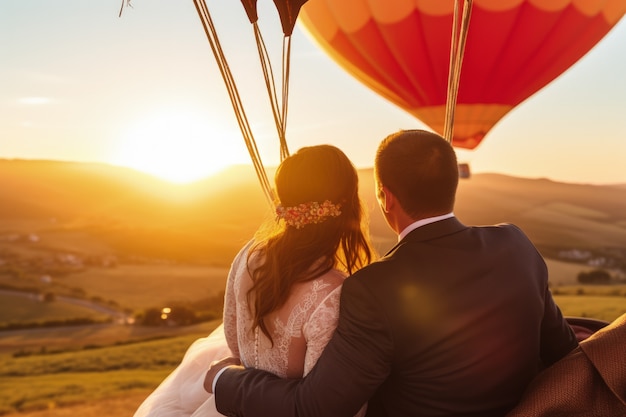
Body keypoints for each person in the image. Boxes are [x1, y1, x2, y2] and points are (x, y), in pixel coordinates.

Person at [207, 129, 579, 417]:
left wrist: (225, 380)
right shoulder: (516, 244)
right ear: (452, 184)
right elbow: (562, 348)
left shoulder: (373, 289)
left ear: (385, 197)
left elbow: (315, 408)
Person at [133, 144, 375, 417]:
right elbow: (323, 398)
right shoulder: (334, 291)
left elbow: (232, 336)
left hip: (235, 404)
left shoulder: (250, 253)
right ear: (345, 204)